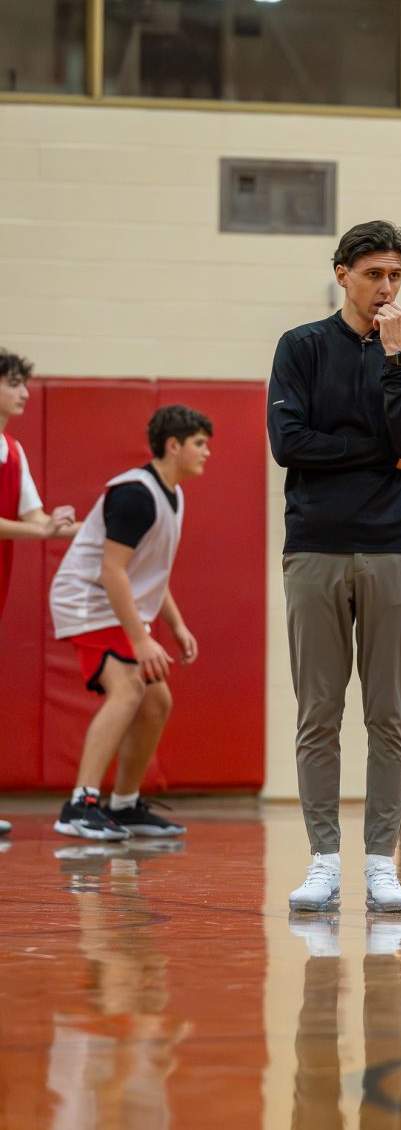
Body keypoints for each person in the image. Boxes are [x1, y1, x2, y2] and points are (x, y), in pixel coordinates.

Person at [268, 220, 401, 913]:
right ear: (341, 272)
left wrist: (396, 362)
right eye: (373, 273)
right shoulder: (301, 347)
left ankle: (379, 861)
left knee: (390, 715)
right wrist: (384, 454)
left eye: (396, 275)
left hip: (396, 545)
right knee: (318, 710)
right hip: (314, 543)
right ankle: (321, 860)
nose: (386, 288)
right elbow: (290, 443)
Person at [49, 404, 212, 842]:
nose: (206, 453)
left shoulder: (172, 495)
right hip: (87, 600)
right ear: (173, 445)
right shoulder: (135, 494)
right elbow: (111, 571)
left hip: (113, 602)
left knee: (157, 701)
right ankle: (79, 805)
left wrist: (175, 626)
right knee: (130, 687)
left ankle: (124, 804)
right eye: (199, 443)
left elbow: (148, 574)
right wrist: (141, 641)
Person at [1, 347, 78, 838]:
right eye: (14, 383)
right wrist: (43, 533)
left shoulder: (14, 449)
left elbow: (33, 516)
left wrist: (59, 523)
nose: (25, 391)